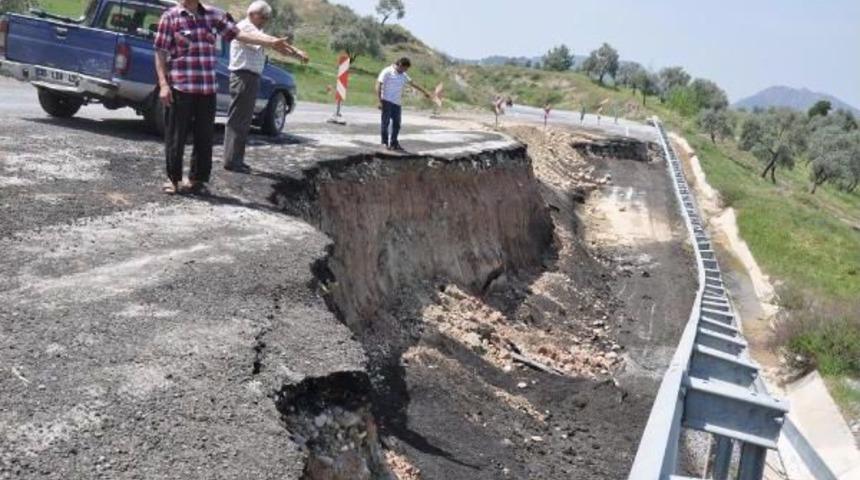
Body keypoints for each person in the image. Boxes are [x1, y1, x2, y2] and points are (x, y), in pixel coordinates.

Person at [154, 0, 294, 194]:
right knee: (175, 138)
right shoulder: (170, 17)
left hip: (207, 89)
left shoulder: (213, 15)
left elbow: (239, 34)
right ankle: (173, 180)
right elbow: (160, 52)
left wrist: (270, 42)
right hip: (180, 87)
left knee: (204, 138)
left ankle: (198, 180)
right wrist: (163, 85)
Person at [223, 0, 308, 173]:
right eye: (264, 17)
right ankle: (232, 160)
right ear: (253, 14)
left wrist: (293, 52)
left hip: (250, 78)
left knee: (244, 120)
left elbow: (273, 44)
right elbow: (269, 40)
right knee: (238, 119)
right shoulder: (246, 28)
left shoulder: (255, 31)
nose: (265, 21)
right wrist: (295, 51)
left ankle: (236, 159)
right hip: (243, 77)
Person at [375, 57, 433, 151]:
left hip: (397, 103)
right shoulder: (387, 71)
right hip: (387, 101)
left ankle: (394, 143)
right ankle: (384, 143)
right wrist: (379, 100)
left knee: (397, 124)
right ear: (400, 65)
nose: (405, 71)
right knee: (385, 123)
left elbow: (413, 83)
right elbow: (378, 84)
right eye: (405, 68)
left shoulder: (403, 75)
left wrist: (425, 92)